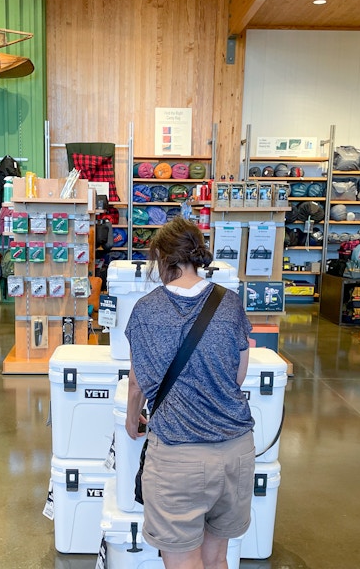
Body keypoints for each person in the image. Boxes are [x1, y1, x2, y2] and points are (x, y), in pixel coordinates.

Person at [124, 216, 254, 569]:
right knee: (217, 560)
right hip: (235, 451)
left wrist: (131, 418)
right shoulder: (230, 303)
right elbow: (237, 375)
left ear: (162, 259)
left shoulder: (145, 311)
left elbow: (137, 382)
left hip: (178, 457)